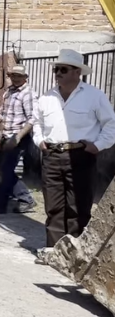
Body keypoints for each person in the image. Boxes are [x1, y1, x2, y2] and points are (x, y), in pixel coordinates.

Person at [32, 49, 115, 261]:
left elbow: (111, 124)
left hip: (81, 155)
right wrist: (40, 141)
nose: (57, 73)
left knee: (79, 205)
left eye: (63, 69)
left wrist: (97, 146)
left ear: (77, 72)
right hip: (52, 155)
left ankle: (77, 254)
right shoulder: (47, 97)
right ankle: (54, 251)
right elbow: (37, 123)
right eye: (56, 69)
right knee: (53, 205)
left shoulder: (94, 96)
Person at [0, 65, 38, 215]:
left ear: (26, 77)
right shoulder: (8, 93)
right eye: (13, 75)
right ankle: (19, 200)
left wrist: (18, 137)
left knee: (6, 171)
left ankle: (4, 204)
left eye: (19, 76)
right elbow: (2, 114)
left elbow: (32, 119)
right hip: (6, 136)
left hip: (18, 138)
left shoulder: (28, 94)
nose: (16, 78)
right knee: (3, 171)